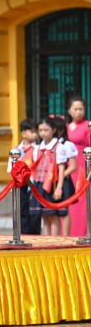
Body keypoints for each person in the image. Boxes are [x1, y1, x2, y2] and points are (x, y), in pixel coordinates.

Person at [32, 116, 67, 236]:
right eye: (40, 130)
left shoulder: (59, 147)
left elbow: (61, 168)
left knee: (53, 215)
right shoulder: (37, 148)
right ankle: (46, 241)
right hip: (40, 184)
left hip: (52, 184)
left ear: (54, 130)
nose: (43, 133)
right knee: (44, 216)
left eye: (46, 130)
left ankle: (55, 241)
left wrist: (59, 187)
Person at [68, 98, 89, 236]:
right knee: (70, 197)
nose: (78, 112)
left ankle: (83, 232)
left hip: (84, 164)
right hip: (69, 165)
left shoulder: (88, 125)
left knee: (83, 199)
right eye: (75, 109)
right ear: (69, 110)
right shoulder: (66, 127)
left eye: (80, 109)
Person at [16, 119, 41, 236]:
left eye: (36, 131)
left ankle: (35, 234)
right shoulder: (16, 150)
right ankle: (23, 234)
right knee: (22, 210)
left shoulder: (38, 149)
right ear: (24, 133)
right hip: (20, 184)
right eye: (32, 131)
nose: (35, 134)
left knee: (35, 211)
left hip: (34, 184)